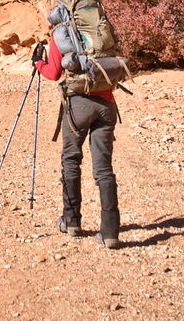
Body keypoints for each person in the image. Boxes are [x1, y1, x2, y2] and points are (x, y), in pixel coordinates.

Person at [32, 36, 121, 250]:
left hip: (77, 105)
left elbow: (53, 73)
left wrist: (37, 62)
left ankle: (71, 221)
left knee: (71, 159)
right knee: (104, 168)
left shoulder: (61, 34)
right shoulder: (101, 29)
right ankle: (110, 232)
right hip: (107, 104)